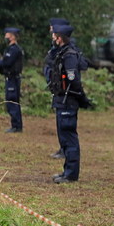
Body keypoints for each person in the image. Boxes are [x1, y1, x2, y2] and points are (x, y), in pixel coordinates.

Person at [49, 24, 86, 184]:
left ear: (60, 37)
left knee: (69, 137)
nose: (53, 38)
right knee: (64, 137)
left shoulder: (69, 55)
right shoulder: (62, 53)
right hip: (61, 100)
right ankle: (67, 171)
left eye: (54, 35)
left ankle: (71, 174)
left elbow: (73, 79)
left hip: (68, 101)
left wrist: (76, 95)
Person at [45, 18, 70, 159]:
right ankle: (62, 148)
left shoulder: (67, 49)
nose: (50, 31)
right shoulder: (55, 46)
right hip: (57, 88)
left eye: (52, 28)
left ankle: (65, 149)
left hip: (65, 91)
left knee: (65, 123)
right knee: (60, 122)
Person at [0, 27, 24, 133]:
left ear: (12, 36)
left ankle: (16, 126)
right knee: (11, 101)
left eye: (7, 34)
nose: (5, 37)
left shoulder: (14, 49)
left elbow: (7, 63)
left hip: (13, 79)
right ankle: (16, 125)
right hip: (9, 78)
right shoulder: (10, 49)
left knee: (12, 101)